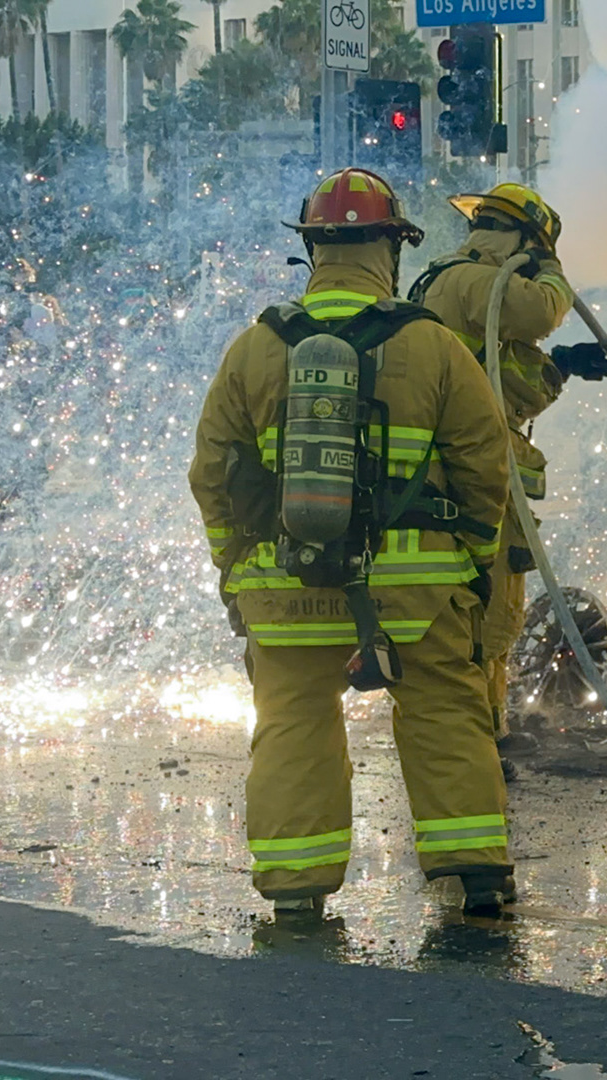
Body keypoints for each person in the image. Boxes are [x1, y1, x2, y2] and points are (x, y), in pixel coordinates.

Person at [188, 168, 516, 915]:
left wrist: (233, 568)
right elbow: (485, 461)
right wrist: (471, 558)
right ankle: (476, 875)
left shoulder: (254, 347)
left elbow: (211, 473)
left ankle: (295, 887)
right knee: (443, 712)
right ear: (391, 247)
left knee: (292, 723)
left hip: (285, 588)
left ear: (314, 247)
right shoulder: (433, 345)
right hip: (416, 592)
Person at [408, 183, 607, 768]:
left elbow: (502, 387)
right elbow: (542, 309)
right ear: (525, 240)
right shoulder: (472, 280)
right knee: (486, 612)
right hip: (471, 475)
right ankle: (474, 739)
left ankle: (490, 725)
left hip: (473, 470)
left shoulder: (461, 285)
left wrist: (564, 366)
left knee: (495, 606)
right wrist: (551, 269)